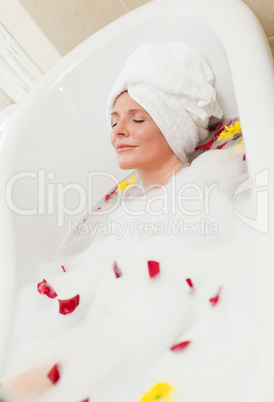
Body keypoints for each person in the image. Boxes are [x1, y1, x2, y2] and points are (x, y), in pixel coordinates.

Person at [1, 43, 259, 402]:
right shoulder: (118, 205)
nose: (119, 131)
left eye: (137, 119)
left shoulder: (206, 193)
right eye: (113, 120)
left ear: (174, 125)